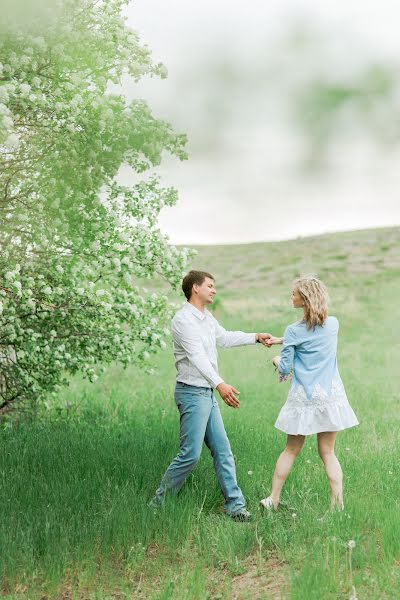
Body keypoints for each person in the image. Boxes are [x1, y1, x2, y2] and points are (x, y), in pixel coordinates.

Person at [150, 270, 272, 521]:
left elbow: (225, 338)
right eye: (210, 286)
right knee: (190, 454)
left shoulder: (206, 318)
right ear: (195, 288)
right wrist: (220, 384)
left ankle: (235, 507)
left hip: (206, 393)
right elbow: (196, 357)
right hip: (192, 393)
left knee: (223, 450)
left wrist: (256, 338)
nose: (214, 290)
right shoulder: (183, 320)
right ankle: (157, 504)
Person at [260, 275, 359, 512]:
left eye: (293, 293)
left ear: (303, 299)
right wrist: (282, 340)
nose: (291, 297)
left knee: (291, 450)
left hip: (304, 399)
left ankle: (273, 499)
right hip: (330, 397)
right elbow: (311, 335)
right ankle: (337, 507)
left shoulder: (293, 331)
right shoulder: (333, 324)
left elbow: (285, 367)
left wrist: (276, 357)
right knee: (328, 452)